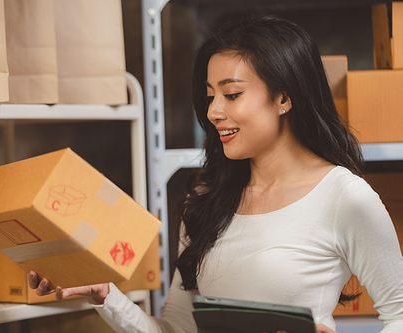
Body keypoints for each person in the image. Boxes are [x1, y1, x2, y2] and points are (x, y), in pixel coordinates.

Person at [29, 14, 403, 332]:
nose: (213, 112)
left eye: (232, 94)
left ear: (284, 98)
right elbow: (176, 329)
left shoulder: (344, 197)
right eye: (210, 95)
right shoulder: (209, 197)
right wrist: (106, 295)